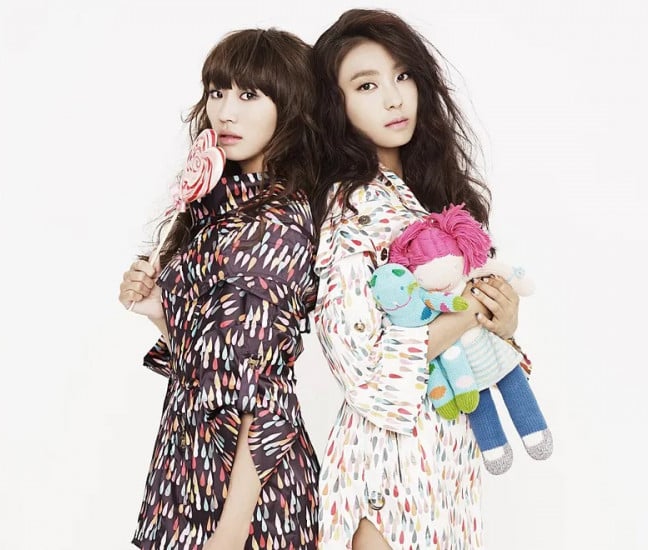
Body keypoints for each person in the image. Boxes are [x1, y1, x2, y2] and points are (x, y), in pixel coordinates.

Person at [310, 9, 530, 549]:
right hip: (386, 474)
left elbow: (472, 339)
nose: (393, 98)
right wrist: (470, 311)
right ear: (335, 104)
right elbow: (361, 366)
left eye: (403, 75)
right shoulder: (349, 209)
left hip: (448, 472)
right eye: (367, 85)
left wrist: (502, 320)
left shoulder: (437, 198)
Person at [117, 28, 321, 550]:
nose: (226, 112)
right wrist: (161, 310)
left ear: (290, 106)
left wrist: (229, 532)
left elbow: (265, 394)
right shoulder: (219, 206)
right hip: (188, 472)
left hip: (244, 498)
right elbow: (211, 365)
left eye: (249, 95)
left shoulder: (275, 223)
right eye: (217, 92)